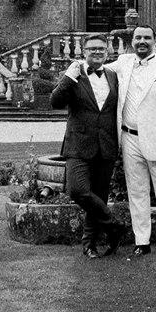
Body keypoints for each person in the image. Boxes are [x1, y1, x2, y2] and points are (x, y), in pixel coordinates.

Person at [109, 25, 156, 257]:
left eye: (147, 37)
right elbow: (97, 67)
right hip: (129, 137)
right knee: (137, 191)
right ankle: (141, 242)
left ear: (155, 41)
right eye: (138, 37)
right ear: (132, 41)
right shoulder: (123, 63)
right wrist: (76, 67)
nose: (142, 41)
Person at [50, 36, 123, 257]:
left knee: (98, 195)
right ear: (84, 51)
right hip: (78, 145)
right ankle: (114, 227)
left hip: (106, 146)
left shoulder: (113, 75)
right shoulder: (75, 74)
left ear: (108, 51)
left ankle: (89, 244)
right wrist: (68, 77)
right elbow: (55, 102)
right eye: (92, 49)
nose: (97, 52)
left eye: (101, 48)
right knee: (77, 190)